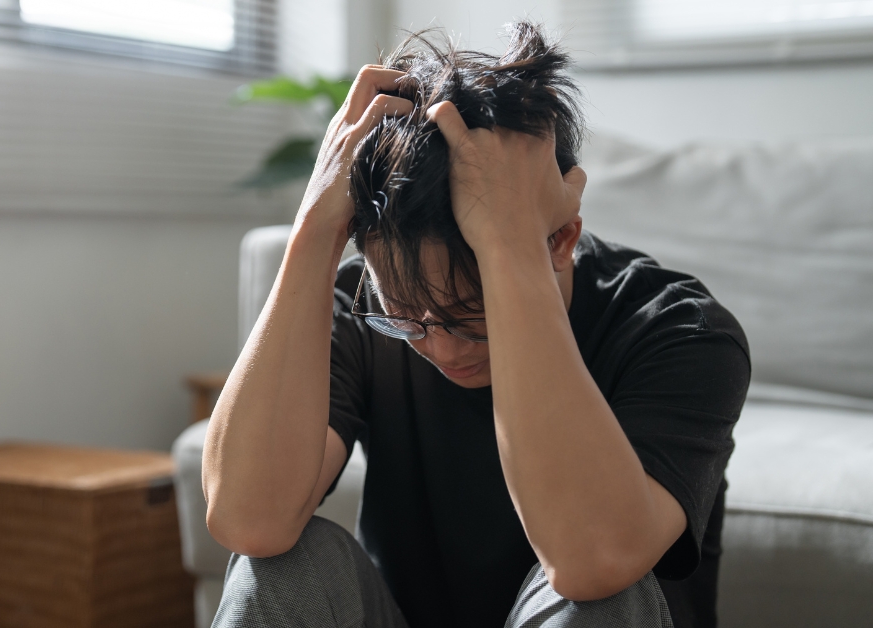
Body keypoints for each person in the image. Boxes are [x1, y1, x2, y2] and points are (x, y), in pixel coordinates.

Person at [202, 22, 749, 628]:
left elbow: (592, 561)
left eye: (470, 317)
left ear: (562, 238)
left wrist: (510, 248)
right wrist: (316, 227)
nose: (439, 346)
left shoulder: (679, 329)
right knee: (275, 563)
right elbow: (249, 519)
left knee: (604, 592)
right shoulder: (359, 303)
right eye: (407, 319)